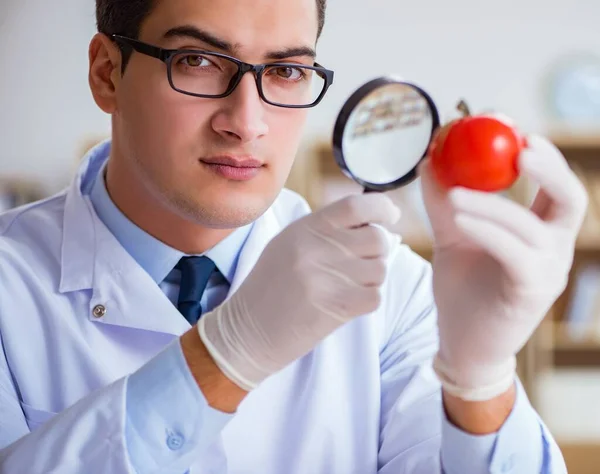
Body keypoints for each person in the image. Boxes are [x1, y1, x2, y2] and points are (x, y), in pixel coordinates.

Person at [0, 0, 587, 472]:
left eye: (285, 72)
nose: (246, 122)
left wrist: (479, 381)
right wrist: (224, 357)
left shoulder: (398, 293)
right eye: (199, 61)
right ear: (107, 73)